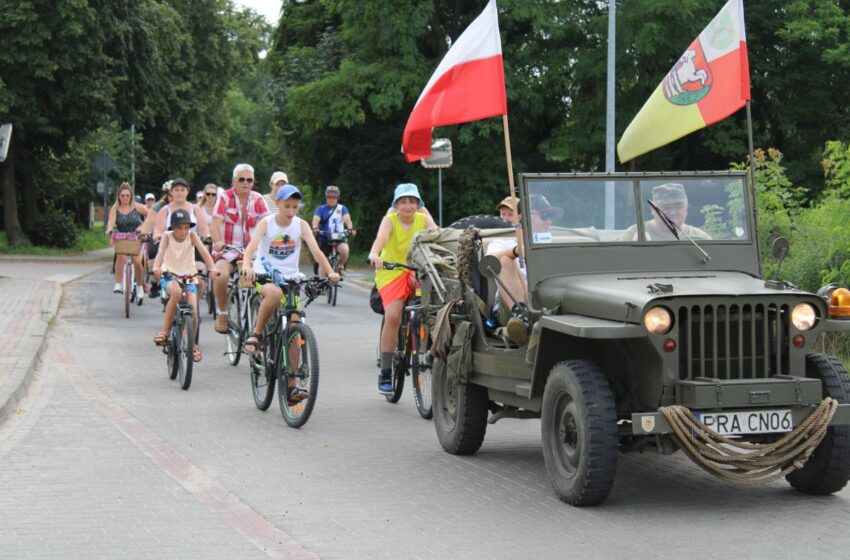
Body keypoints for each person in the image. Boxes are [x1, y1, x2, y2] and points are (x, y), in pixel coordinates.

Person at [241, 185, 340, 403]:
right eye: (287, 206)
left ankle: (291, 386)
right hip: (264, 274)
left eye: (295, 207)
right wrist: (247, 265)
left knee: (295, 326)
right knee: (274, 294)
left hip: (291, 278)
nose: (291, 211)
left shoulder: (301, 225)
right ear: (277, 203)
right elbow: (252, 247)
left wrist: (331, 272)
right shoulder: (267, 223)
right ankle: (257, 334)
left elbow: (316, 251)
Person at [368, 183, 436, 394]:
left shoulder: (423, 219)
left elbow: (437, 235)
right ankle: (386, 373)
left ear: (418, 203)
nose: (408, 205)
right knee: (394, 316)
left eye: (413, 201)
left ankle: (431, 352)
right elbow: (380, 240)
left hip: (415, 270)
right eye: (403, 201)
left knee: (434, 308)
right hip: (391, 271)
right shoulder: (390, 220)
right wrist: (374, 255)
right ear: (396, 205)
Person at [485, 194, 561, 346]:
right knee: (505, 261)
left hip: (544, 301)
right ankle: (521, 316)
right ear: (522, 217)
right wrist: (516, 251)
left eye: (550, 216)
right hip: (511, 308)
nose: (549, 221)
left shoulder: (552, 243)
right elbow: (489, 261)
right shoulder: (503, 241)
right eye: (544, 215)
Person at [152, 209, 220, 362]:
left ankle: (192, 343)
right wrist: (156, 267)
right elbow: (160, 252)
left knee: (194, 310)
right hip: (169, 275)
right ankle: (164, 331)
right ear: (172, 228)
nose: (183, 231)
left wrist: (212, 267)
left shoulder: (192, 235)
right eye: (179, 227)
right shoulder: (167, 237)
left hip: (189, 276)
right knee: (175, 293)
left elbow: (204, 252)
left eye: (186, 227)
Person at [210, 163, 270, 333]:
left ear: (253, 182)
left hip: (253, 253)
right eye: (241, 179)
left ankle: (264, 322)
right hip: (229, 250)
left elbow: (267, 224)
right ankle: (222, 313)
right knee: (221, 276)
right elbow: (214, 225)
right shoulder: (224, 198)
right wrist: (217, 242)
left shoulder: (258, 199)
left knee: (269, 281)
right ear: (234, 181)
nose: (245, 183)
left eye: (249, 180)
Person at [105, 182, 151, 299]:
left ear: (131, 196)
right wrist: (110, 230)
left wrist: (144, 227)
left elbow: (151, 215)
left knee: (137, 261)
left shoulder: (136, 206)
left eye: (127, 195)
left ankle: (140, 286)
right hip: (122, 236)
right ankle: (118, 284)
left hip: (137, 237)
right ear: (118, 196)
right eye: (122, 195)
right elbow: (111, 222)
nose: (125, 198)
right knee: (121, 257)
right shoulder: (115, 209)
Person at [640, 183, 711, 241]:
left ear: (686, 208)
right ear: (653, 209)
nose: (672, 212)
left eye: (678, 207)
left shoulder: (700, 238)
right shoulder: (636, 234)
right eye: (666, 207)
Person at [312, 185, 355, 276]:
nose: (331, 199)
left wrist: (350, 228)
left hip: (339, 238)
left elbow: (347, 220)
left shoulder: (342, 208)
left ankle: (341, 266)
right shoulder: (321, 209)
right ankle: (321, 284)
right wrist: (315, 228)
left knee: (344, 249)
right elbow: (315, 220)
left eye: (334, 197)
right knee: (323, 260)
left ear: (337, 197)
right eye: (329, 197)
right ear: (326, 197)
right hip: (325, 238)